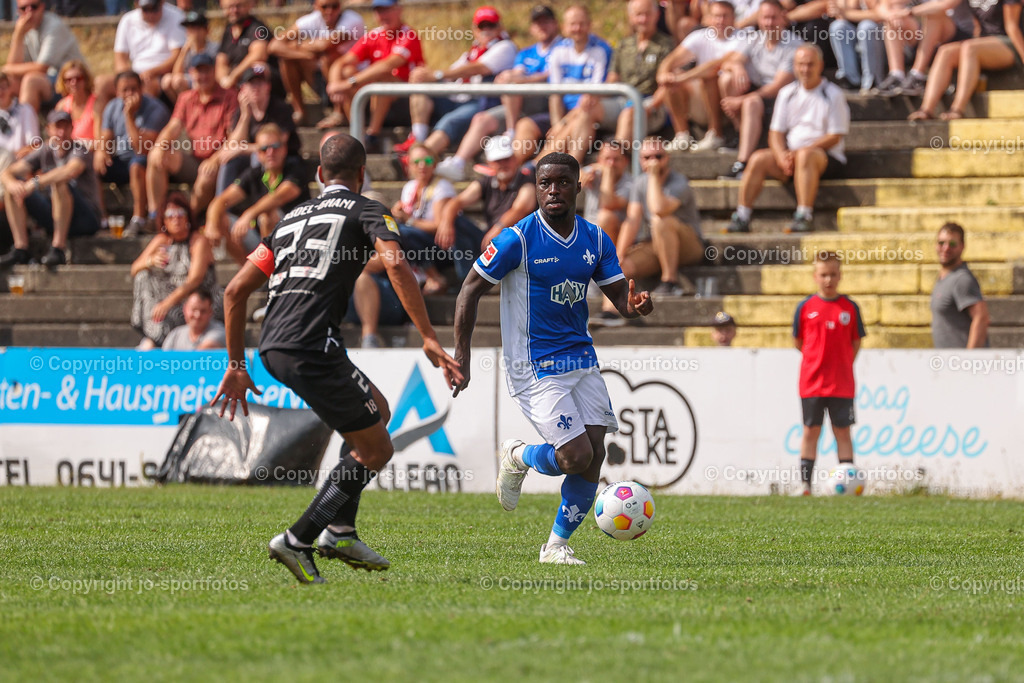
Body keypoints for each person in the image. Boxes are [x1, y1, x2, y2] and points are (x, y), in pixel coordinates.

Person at [211, 133, 462, 584]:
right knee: (378, 448)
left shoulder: (288, 220)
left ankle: (340, 530)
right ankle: (298, 538)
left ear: (320, 175)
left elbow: (233, 292)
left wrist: (235, 365)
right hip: (311, 345)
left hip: (274, 344)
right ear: (362, 175)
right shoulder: (368, 209)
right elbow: (397, 264)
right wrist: (427, 334)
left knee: (378, 413)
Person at [452, 152, 654, 565]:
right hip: (534, 365)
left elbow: (620, 300)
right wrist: (462, 355)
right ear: (537, 187)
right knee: (574, 457)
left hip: (581, 358)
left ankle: (556, 547)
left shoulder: (595, 239)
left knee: (594, 454)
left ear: (579, 186)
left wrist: (636, 307)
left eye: (562, 182)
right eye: (545, 183)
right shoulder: (517, 240)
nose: (553, 190)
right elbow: (469, 290)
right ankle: (520, 456)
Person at [725, 44, 849, 234]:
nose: (805, 69)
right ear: (795, 65)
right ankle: (742, 215)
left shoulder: (833, 94)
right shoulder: (787, 93)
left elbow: (835, 135)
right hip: (793, 156)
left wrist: (798, 153)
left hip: (824, 157)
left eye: (810, 64)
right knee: (758, 158)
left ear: (820, 65)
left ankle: (804, 215)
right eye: (801, 64)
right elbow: (775, 132)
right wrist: (782, 155)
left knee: (806, 156)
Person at [435, 4, 560, 182]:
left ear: (555, 24)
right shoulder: (526, 52)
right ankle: (458, 163)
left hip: (546, 105)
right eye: (537, 22)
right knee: (482, 119)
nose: (542, 26)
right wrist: (507, 76)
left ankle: (509, 157)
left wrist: (517, 79)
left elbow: (553, 74)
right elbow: (516, 73)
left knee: (523, 124)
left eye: (546, 22)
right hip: (520, 106)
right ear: (531, 27)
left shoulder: (561, 47)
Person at [393, 5, 517, 157]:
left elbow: (477, 68)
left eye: (491, 25)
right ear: (474, 29)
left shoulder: (505, 46)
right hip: (460, 98)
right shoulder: (473, 51)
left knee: (449, 121)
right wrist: (425, 75)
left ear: (500, 27)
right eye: (482, 26)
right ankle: (418, 137)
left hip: (482, 102)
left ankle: (418, 159)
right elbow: (452, 72)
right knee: (422, 84)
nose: (486, 29)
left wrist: (436, 75)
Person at [792, 250, 864, 496]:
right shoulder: (805, 307)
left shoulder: (850, 307)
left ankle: (848, 483)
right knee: (811, 431)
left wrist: (842, 364)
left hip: (842, 384)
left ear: (840, 275)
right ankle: (805, 485)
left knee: (842, 431)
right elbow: (799, 341)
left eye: (833, 274)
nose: (828, 280)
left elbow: (856, 342)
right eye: (823, 274)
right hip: (812, 383)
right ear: (815, 276)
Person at [0, 110, 102, 267]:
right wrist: (11, 184)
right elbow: (8, 171)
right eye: (57, 127)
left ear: (71, 128)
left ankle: (58, 248)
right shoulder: (46, 149)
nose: (61, 132)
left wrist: (35, 183)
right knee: (12, 188)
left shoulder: (80, 150)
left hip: (86, 218)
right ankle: (21, 248)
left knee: (60, 182)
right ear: (48, 129)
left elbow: (70, 171)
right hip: (56, 215)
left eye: (65, 127)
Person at [147, 53, 238, 221]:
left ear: (214, 71)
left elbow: (234, 138)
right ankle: (156, 216)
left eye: (207, 71)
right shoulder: (186, 97)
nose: (203, 76)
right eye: (199, 71)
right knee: (155, 157)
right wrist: (160, 146)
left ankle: (189, 219)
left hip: (220, 160)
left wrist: (215, 160)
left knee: (206, 175)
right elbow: (173, 127)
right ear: (191, 73)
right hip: (194, 159)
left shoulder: (229, 97)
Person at [719, 0, 802, 180]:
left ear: (783, 19)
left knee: (750, 102)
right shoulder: (754, 38)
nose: (769, 23)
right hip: (759, 93)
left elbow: (777, 86)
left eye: (773, 18)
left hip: (784, 98)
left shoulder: (794, 46)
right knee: (726, 79)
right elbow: (729, 62)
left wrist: (740, 100)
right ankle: (741, 134)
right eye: (765, 18)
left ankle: (742, 162)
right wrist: (738, 67)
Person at [205, 123, 309, 264]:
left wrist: (249, 214)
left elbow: (280, 196)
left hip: (297, 240)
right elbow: (221, 200)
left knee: (266, 217)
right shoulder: (254, 174)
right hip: (261, 243)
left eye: (275, 147)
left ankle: (270, 273)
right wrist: (212, 224)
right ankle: (251, 276)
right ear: (258, 154)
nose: (270, 153)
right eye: (264, 149)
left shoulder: (296, 168)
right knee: (222, 218)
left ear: (284, 149)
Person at [436, 135, 536, 281]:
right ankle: (467, 277)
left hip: (516, 240)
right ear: (490, 163)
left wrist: (498, 228)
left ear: (514, 159)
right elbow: (456, 202)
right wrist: (446, 222)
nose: (503, 164)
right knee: (456, 221)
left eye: (506, 159)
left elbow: (520, 210)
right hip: (491, 239)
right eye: (497, 160)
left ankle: (479, 278)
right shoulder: (486, 182)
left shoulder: (527, 182)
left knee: (507, 237)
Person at [323, 0, 424, 140]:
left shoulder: (409, 35)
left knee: (382, 78)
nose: (383, 15)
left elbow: (386, 66)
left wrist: (347, 84)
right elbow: (341, 62)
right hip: (375, 100)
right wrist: (334, 84)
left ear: (399, 10)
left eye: (387, 9)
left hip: (407, 102)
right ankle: (357, 131)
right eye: (379, 11)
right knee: (347, 71)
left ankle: (372, 135)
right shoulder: (374, 35)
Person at [908, 0, 1024, 121]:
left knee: (969, 47)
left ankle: (957, 109)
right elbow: (977, 26)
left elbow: (1012, 27)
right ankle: (926, 110)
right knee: (945, 51)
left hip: (1009, 43)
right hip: (984, 44)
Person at [130, 191, 218, 349]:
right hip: (168, 301)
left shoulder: (198, 241)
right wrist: (149, 261)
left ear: (188, 218)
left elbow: (195, 280)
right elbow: (135, 268)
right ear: (163, 220)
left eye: (180, 213)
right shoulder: (162, 240)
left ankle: (156, 339)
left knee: (177, 307)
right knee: (142, 276)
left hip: (197, 301)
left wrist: (167, 303)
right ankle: (152, 336)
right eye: (170, 215)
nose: (176, 218)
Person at [618, 136, 704, 296]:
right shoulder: (639, 183)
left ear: (667, 158)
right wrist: (619, 254)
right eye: (647, 157)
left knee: (661, 221)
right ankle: (611, 313)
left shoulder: (679, 181)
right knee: (618, 269)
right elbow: (632, 220)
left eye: (658, 156)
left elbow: (659, 209)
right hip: (658, 247)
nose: (653, 162)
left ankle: (670, 281)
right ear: (640, 161)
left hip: (689, 246)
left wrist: (653, 177)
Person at [658, 0, 748, 152]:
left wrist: (681, 78)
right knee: (671, 79)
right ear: (709, 18)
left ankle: (716, 133)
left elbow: (714, 66)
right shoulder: (700, 36)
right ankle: (682, 135)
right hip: (702, 101)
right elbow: (672, 59)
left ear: (734, 18)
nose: (720, 20)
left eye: (725, 16)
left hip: (728, 104)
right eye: (716, 16)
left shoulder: (743, 38)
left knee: (709, 78)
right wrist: (663, 74)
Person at [530, 5, 613, 164]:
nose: (577, 28)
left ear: (589, 24)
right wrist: (557, 124)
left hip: (588, 111)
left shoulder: (601, 50)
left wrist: (562, 124)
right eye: (573, 24)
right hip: (565, 114)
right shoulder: (558, 51)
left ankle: (538, 165)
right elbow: (555, 94)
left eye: (581, 23)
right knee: (525, 126)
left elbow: (592, 95)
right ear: (564, 27)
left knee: (581, 115)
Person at [95, 70, 171, 237]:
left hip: (146, 161)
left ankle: (138, 218)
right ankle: (102, 218)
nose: (129, 94)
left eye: (133, 89)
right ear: (116, 91)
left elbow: (141, 147)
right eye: (125, 90)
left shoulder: (156, 109)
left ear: (141, 88)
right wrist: (101, 152)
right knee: (93, 167)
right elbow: (106, 136)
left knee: (136, 164)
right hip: (121, 159)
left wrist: (129, 116)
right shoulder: (112, 106)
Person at [269, 0, 365, 125]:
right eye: (324, 7)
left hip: (352, 80)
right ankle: (299, 112)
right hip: (325, 79)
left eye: (334, 6)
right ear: (316, 7)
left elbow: (327, 45)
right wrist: (307, 54)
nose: (329, 11)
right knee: (288, 60)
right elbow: (274, 45)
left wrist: (297, 45)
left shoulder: (352, 19)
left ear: (340, 6)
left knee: (328, 58)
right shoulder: (311, 20)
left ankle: (339, 113)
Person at [391, 142, 457, 295]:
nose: (422, 166)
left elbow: (439, 226)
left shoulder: (442, 186)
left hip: (442, 248)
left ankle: (435, 277)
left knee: (404, 232)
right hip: (419, 246)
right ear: (409, 165)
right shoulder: (409, 187)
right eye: (416, 162)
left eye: (427, 161)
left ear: (434, 164)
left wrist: (409, 219)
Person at [873, 0, 974, 95]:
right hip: (927, 36)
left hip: (959, 35)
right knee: (894, 15)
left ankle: (917, 75)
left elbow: (945, 5)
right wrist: (891, 15)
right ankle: (896, 74)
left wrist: (909, 12)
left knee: (934, 14)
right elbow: (884, 5)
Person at [3, 0, 84, 112]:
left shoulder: (54, 26)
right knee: (8, 83)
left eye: (33, 7)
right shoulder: (24, 27)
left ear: (42, 7)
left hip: (73, 81)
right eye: (24, 8)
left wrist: (7, 69)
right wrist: (18, 34)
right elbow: (13, 69)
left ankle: (25, 126)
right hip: (50, 83)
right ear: (18, 11)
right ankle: (7, 126)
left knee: (30, 81)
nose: (29, 12)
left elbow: (42, 67)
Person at [931, 222, 990, 348]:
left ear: (962, 246)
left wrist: (968, 360)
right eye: (941, 243)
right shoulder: (944, 278)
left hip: (962, 364)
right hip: (948, 363)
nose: (946, 248)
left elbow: (981, 318)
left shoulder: (962, 279)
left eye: (952, 244)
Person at [113, 0, 187, 99]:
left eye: (154, 9)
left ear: (162, 2)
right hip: (135, 74)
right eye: (146, 9)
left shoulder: (177, 16)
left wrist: (151, 72)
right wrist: (128, 79)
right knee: (102, 84)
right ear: (137, 5)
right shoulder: (127, 20)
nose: (150, 13)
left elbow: (178, 55)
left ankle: (142, 113)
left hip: (162, 75)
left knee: (145, 88)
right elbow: (120, 58)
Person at [579, 140, 632, 244]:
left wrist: (607, 173)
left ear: (625, 161)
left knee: (606, 217)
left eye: (616, 159)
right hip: (589, 230)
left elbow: (607, 204)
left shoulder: (631, 184)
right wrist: (582, 174)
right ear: (599, 160)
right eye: (607, 159)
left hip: (615, 236)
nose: (611, 164)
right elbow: (573, 176)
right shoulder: (594, 173)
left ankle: (606, 259)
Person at [827, 0, 886, 93]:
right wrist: (845, 11)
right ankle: (851, 80)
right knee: (838, 27)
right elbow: (837, 12)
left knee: (866, 27)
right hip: (856, 37)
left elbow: (878, 14)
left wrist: (846, 13)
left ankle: (872, 81)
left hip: (886, 38)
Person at [162, 10, 220, 103]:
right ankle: (186, 108)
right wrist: (184, 51)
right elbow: (176, 73)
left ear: (206, 31)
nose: (192, 33)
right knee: (168, 80)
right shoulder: (187, 50)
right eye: (189, 29)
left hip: (208, 80)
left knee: (186, 81)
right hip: (192, 81)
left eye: (196, 28)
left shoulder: (215, 47)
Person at [161, 288, 226, 350]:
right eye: (194, 309)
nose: (197, 315)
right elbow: (163, 358)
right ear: (185, 309)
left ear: (210, 312)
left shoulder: (219, 331)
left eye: (203, 311)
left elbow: (204, 350)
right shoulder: (175, 335)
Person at [54, 60, 100, 142]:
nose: (73, 82)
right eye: (68, 80)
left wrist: (75, 144)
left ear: (86, 80)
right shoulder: (62, 105)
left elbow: (100, 142)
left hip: (88, 152)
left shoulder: (97, 104)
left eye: (78, 78)